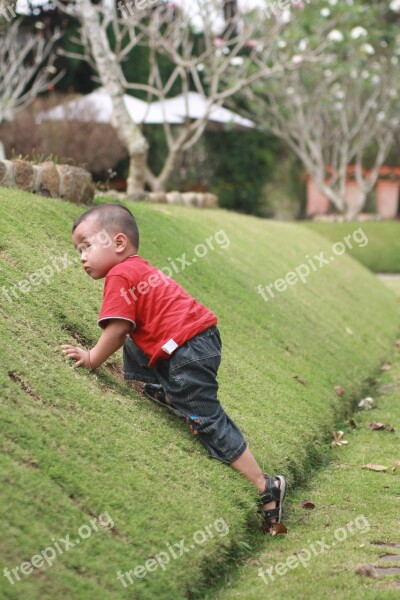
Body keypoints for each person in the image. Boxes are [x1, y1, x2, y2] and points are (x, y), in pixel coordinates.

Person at [61, 203, 287, 534]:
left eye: (87, 246)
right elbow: (133, 328)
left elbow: (117, 329)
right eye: (78, 249)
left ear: (119, 243)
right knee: (140, 337)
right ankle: (163, 391)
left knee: (206, 418)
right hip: (195, 340)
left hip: (188, 349)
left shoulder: (120, 274)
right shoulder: (137, 268)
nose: (82, 256)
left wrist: (93, 358)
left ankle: (265, 486)